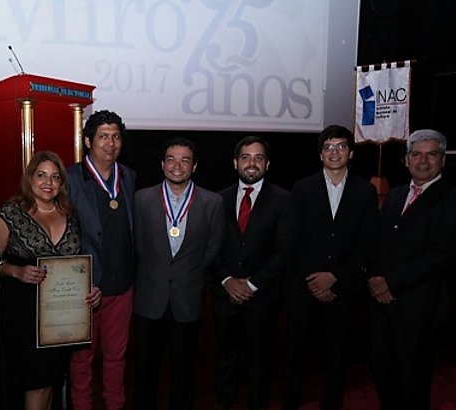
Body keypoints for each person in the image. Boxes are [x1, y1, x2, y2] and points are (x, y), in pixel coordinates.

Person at [368, 129, 456, 409]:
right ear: (406, 159)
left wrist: (390, 282)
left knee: (413, 377)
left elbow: (441, 255)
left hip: (419, 306)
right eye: (416, 154)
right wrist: (375, 279)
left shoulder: (454, 201)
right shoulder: (395, 195)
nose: (423, 161)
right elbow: (378, 243)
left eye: (431, 154)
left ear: (443, 160)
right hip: (381, 304)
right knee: (381, 370)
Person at [0, 150, 102, 410]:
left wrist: (90, 289)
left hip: (61, 319)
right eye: (41, 175)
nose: (48, 182)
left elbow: (76, 265)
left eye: (55, 177)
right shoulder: (10, 214)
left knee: (51, 382)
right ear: (29, 178)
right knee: (36, 383)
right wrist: (16, 272)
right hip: (24, 316)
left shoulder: (70, 215)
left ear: (62, 184)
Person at [282, 125, 379, 410]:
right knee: (295, 353)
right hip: (304, 286)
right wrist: (314, 279)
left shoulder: (366, 191)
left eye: (341, 146)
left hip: (344, 288)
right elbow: (291, 239)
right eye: (328, 147)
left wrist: (335, 277)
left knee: (337, 356)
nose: (334, 152)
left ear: (351, 153)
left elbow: (368, 242)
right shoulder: (302, 188)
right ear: (320, 154)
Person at [133, 137, 224, 409]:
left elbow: (212, 249)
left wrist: (186, 271)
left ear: (194, 166)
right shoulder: (142, 199)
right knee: (145, 370)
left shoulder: (212, 202)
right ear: (162, 164)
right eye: (171, 159)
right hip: (150, 298)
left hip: (187, 297)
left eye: (185, 160)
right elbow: (138, 246)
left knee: (184, 370)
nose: (177, 165)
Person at [214, 136, 291, 410]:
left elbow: (284, 251)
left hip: (263, 297)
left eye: (259, 158)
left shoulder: (284, 200)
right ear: (235, 162)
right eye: (246, 157)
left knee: (260, 362)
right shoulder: (217, 200)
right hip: (225, 295)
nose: (252, 163)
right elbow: (211, 247)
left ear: (267, 164)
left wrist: (252, 284)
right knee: (225, 360)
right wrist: (227, 280)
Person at [67, 110, 136, 410]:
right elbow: (61, 236)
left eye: (116, 137)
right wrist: (83, 280)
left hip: (122, 286)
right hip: (86, 290)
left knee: (117, 357)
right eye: (103, 137)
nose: (111, 143)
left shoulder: (130, 177)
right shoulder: (70, 178)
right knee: (82, 360)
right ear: (87, 141)